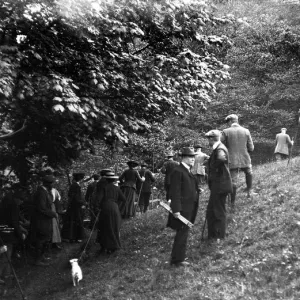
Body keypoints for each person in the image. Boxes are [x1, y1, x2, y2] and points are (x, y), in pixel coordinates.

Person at [167, 147, 199, 267]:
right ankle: (177, 260)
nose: (193, 159)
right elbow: (175, 192)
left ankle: (178, 258)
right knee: (182, 232)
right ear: (184, 158)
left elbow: (187, 187)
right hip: (182, 209)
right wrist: (176, 210)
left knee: (184, 232)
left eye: (193, 157)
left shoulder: (187, 171)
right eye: (190, 157)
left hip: (189, 207)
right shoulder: (178, 171)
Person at [221, 114, 255, 203]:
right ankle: (249, 192)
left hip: (232, 160)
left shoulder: (225, 131)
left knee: (233, 181)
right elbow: (251, 148)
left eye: (227, 122)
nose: (227, 124)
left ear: (230, 121)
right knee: (249, 172)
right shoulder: (246, 131)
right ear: (237, 120)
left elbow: (219, 145)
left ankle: (232, 202)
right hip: (245, 158)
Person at [205, 130, 232, 240]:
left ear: (212, 139)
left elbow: (221, 159)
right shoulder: (218, 147)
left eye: (208, 139)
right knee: (211, 211)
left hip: (220, 185)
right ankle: (213, 235)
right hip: (219, 185)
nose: (208, 141)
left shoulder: (220, 148)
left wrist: (213, 168)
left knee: (219, 211)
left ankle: (220, 237)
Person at [0, 185, 27, 280]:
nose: (21, 203)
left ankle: (6, 274)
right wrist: (20, 234)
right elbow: (14, 223)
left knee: (7, 253)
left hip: (4, 230)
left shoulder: (7, 202)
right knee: (5, 255)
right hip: (6, 233)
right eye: (21, 200)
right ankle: (2, 275)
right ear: (17, 199)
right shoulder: (13, 205)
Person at [30, 175, 58, 266]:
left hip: (45, 220)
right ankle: (37, 260)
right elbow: (41, 208)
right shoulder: (41, 192)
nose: (52, 185)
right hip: (40, 221)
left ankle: (42, 256)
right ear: (47, 184)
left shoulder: (45, 191)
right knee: (41, 239)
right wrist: (52, 214)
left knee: (45, 238)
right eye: (51, 183)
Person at [96, 172, 126, 254]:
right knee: (115, 226)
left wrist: (98, 207)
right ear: (113, 180)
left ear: (106, 179)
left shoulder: (104, 187)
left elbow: (98, 199)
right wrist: (117, 205)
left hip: (105, 207)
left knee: (104, 227)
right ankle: (113, 246)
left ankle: (105, 246)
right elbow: (124, 199)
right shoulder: (117, 188)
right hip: (115, 207)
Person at [61, 173, 86, 243]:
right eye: (81, 178)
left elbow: (71, 196)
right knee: (75, 221)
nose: (81, 179)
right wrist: (83, 203)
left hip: (73, 206)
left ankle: (72, 237)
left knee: (73, 221)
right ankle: (74, 238)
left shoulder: (74, 185)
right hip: (75, 207)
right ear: (79, 179)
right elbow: (75, 198)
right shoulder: (76, 185)